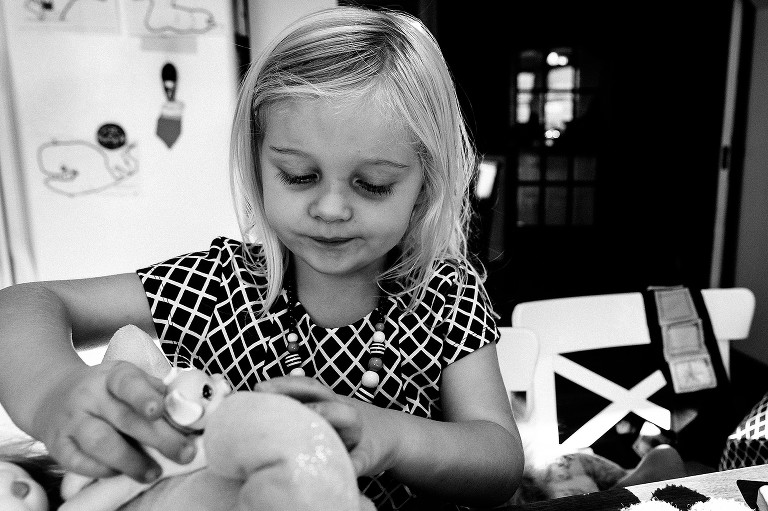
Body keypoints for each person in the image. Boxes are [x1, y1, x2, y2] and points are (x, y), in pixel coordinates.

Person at [0, 6, 523, 510]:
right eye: (299, 176)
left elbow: (499, 462)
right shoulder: (217, 285)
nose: (331, 208)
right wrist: (54, 392)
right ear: (258, 164)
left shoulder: (442, 293)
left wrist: (394, 435)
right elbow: (24, 303)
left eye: (372, 184)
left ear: (425, 184)